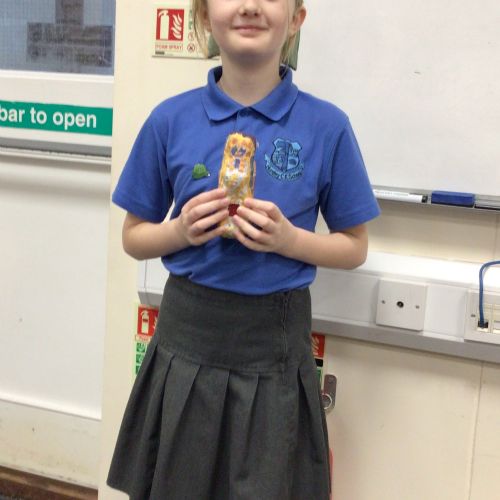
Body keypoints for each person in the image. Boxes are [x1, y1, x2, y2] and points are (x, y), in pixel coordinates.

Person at [107, 0, 380, 498]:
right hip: (185, 346)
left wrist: (290, 241)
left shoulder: (327, 126)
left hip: (275, 355)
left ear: (295, 19)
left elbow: (355, 246)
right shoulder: (169, 119)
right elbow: (133, 236)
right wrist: (180, 231)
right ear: (203, 15)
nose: (250, 6)